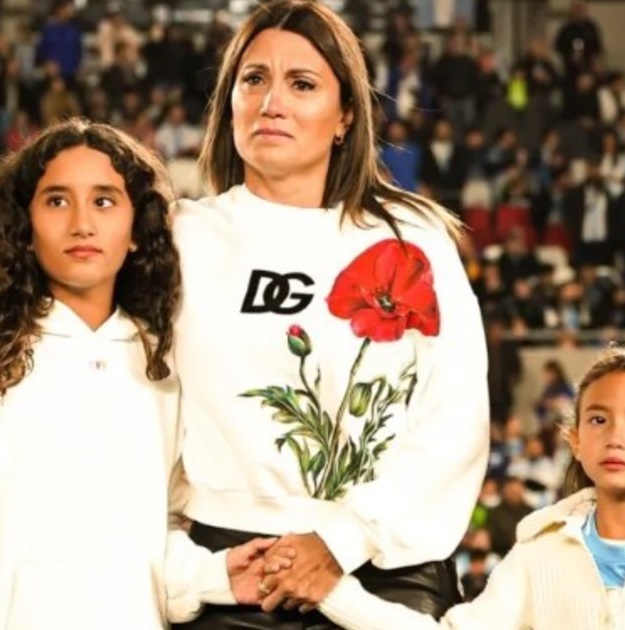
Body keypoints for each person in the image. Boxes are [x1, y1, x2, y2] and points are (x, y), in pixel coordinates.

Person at [171, 1, 489, 627]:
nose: (272, 102)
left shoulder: (410, 237)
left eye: (302, 84)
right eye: (253, 79)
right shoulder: (182, 236)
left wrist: (343, 539)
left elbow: (455, 416)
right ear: (229, 103)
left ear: (345, 115)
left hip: (383, 572)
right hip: (231, 570)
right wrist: (184, 563)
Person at [0, 118, 273, 629]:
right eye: (57, 201)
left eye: (104, 201)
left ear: (137, 230)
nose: (82, 224)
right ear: (24, 228)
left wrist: (216, 575)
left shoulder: (166, 363)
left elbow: (162, 526)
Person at [262, 341, 625, 628]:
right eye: (598, 420)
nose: (616, 436)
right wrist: (332, 590)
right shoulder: (539, 549)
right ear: (575, 440)